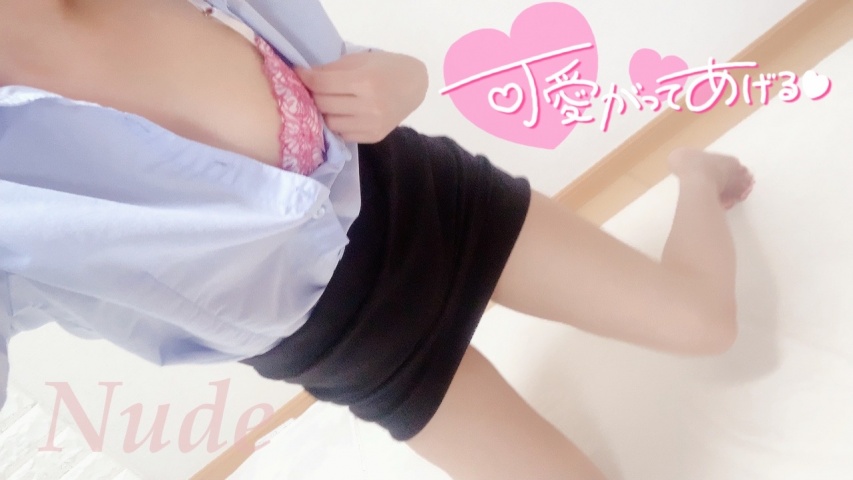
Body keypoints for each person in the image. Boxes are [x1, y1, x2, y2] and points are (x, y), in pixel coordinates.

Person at [0, 1, 754, 478]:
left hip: (422, 196)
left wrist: (400, 78)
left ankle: (693, 172)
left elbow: (344, 65)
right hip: (355, 344)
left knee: (703, 324)